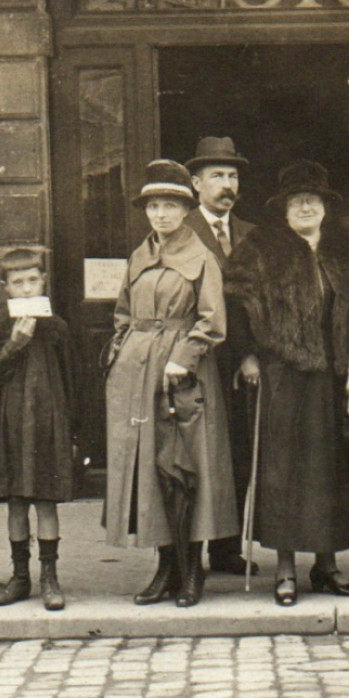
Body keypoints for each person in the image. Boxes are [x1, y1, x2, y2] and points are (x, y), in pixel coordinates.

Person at [225, 161, 349, 605]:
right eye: (297, 200)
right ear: (284, 208)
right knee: (283, 471)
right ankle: (285, 569)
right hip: (283, 374)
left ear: (326, 206)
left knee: (334, 469)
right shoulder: (259, 249)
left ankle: (327, 565)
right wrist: (247, 354)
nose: (306, 206)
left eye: (314, 199)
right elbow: (232, 303)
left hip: (338, 377)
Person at [104, 159, 238, 608]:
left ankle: (192, 571)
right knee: (149, 472)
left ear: (185, 211)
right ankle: (165, 568)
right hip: (137, 377)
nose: (160, 215)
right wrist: (120, 353)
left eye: (170, 207)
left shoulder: (201, 258)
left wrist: (183, 357)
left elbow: (212, 320)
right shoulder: (139, 257)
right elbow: (122, 315)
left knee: (188, 469)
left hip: (185, 376)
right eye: (153, 207)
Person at [0, 249, 78, 611]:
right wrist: (13, 347)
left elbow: (71, 379)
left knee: (46, 501)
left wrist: (70, 427)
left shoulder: (56, 326)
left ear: (43, 282)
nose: (27, 289)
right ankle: (20, 577)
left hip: (49, 422)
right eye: (18, 283)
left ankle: (50, 576)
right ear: (5, 288)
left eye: (33, 280)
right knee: (16, 502)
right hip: (11, 422)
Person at [182, 136, 258, 577]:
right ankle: (189, 551)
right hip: (199, 358)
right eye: (217, 176)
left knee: (238, 453)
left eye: (232, 176)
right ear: (196, 183)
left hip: (242, 363)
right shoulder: (182, 229)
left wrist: (251, 355)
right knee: (195, 455)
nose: (226, 185)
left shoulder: (251, 234)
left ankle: (227, 548)